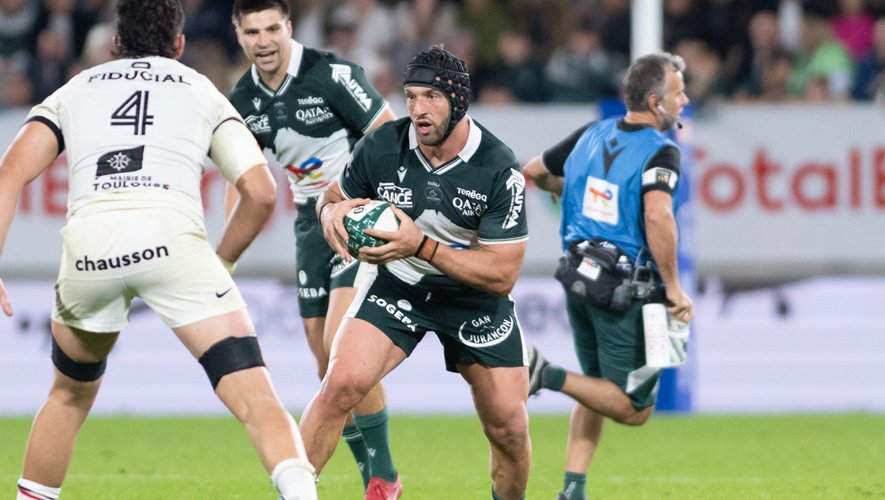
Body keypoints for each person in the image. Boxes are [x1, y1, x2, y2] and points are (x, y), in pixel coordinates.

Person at [0, 1, 317, 499]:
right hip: (172, 243)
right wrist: (222, 263)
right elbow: (260, 192)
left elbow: (10, 172)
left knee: (68, 395)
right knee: (255, 396)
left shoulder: (75, 89)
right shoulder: (200, 90)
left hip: (90, 252)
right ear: (179, 45)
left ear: (114, 44)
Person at [300, 45, 532, 500]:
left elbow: (502, 274)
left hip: (473, 299)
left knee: (509, 426)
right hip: (398, 284)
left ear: (458, 101)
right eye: (410, 96)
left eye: (431, 97)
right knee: (340, 384)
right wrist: (330, 216)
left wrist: (420, 245)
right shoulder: (382, 146)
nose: (418, 109)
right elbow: (330, 197)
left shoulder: (498, 167)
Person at [227, 1, 400, 497]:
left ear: (288, 27)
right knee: (326, 366)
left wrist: (370, 205)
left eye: (272, 29)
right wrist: (226, 250)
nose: (264, 41)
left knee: (342, 350)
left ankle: (383, 477)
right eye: (252, 32)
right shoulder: (243, 99)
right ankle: (376, 477)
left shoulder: (332, 75)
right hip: (309, 224)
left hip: (355, 213)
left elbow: (389, 134)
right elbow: (241, 178)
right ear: (239, 35)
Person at [522, 52, 695, 500]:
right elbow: (658, 216)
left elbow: (534, 171)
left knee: (596, 387)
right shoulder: (661, 150)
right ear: (655, 101)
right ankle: (544, 374)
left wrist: (567, 189)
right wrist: (674, 288)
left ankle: (573, 488)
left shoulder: (591, 134)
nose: (684, 101)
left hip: (577, 278)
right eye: (678, 94)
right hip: (624, 292)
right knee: (634, 408)